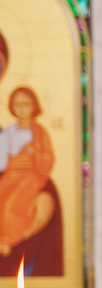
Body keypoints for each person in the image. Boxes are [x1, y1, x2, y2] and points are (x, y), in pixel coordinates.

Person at [0, 87, 56, 259]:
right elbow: (2, 160)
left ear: (34, 106)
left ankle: (9, 239)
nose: (22, 109)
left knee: (11, 204)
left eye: (26, 104)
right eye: (17, 105)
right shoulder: (8, 132)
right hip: (11, 173)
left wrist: (35, 153)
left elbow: (48, 157)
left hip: (32, 175)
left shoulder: (38, 132)